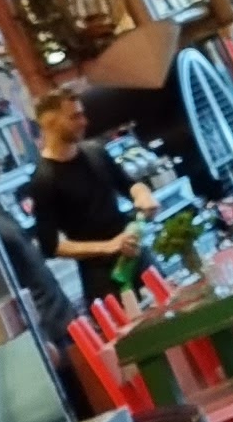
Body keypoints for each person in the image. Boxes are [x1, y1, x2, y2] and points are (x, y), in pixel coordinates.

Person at [27, 88, 153, 306]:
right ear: (49, 122)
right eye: (74, 117)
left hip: (137, 257)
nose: (84, 121)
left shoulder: (95, 151)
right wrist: (109, 246)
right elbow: (51, 246)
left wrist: (143, 195)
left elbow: (129, 185)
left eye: (82, 114)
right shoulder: (44, 179)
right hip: (102, 278)